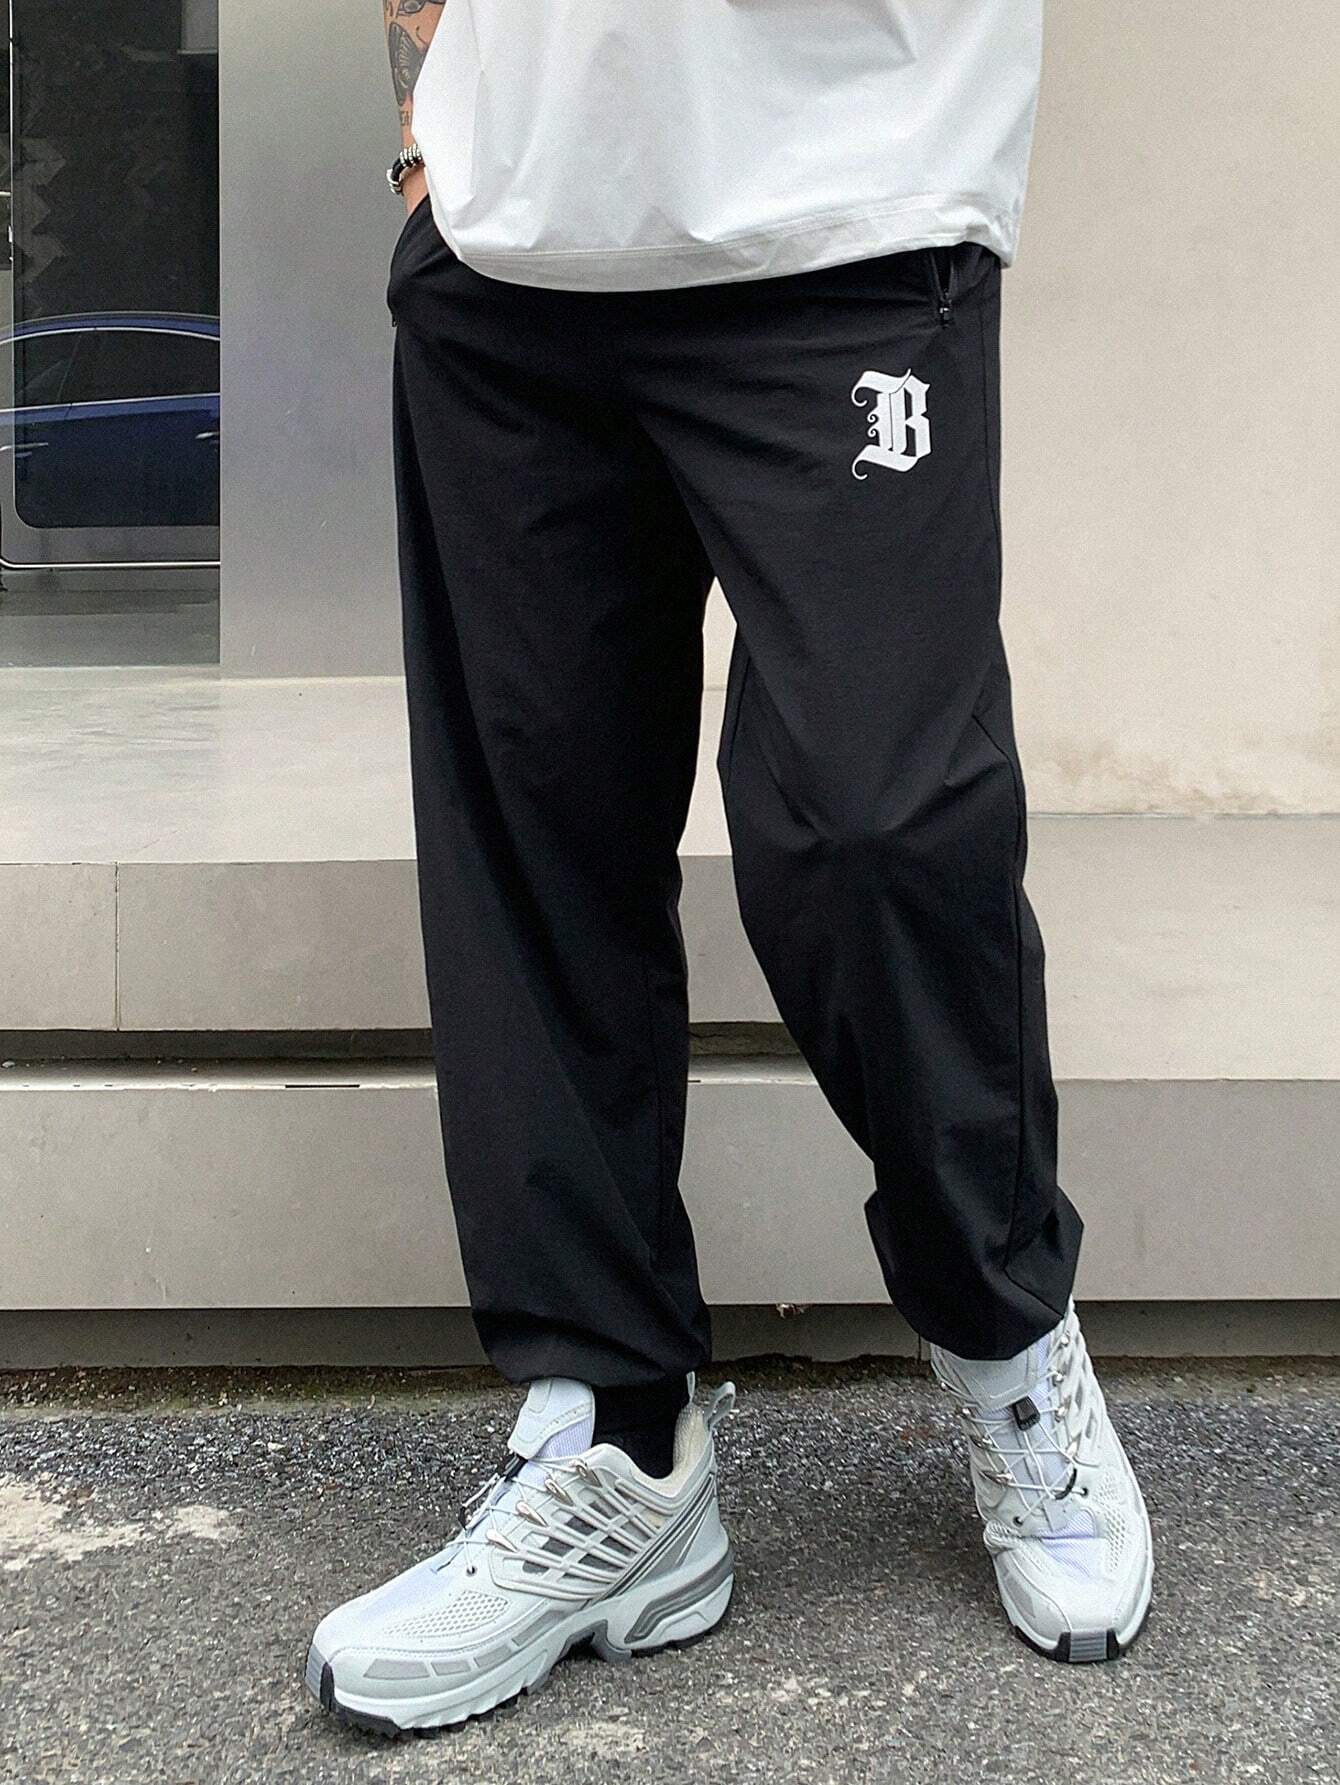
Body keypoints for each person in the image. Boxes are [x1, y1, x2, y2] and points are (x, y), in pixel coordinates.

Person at [305, 0, 1153, 1733]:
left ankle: (1003, 1324)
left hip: (855, 204)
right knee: (536, 838)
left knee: (876, 825)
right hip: (512, 238)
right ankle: (617, 1435)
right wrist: (426, 125)